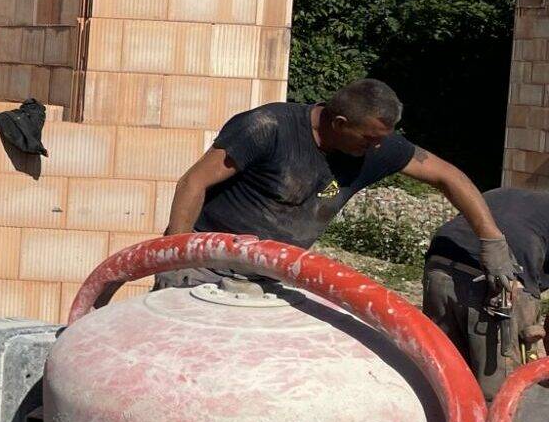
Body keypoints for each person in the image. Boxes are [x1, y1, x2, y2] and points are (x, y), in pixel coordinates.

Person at [158, 78, 518, 291]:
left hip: (274, 275)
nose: (378, 148)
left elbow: (448, 176)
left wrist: (492, 240)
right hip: (205, 266)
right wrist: (178, 257)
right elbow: (193, 183)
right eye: (369, 139)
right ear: (339, 122)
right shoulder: (268, 128)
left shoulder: (375, 146)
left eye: (381, 139)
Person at [424, 187, 549, 400]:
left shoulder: (509, 193)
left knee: (443, 379)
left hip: (439, 267)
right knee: (503, 396)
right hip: (499, 279)